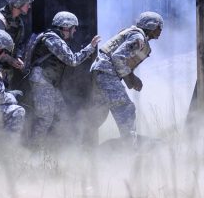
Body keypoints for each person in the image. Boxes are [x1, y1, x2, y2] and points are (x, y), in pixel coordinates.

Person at [89, 11, 163, 147]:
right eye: (159, 26)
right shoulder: (138, 37)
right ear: (151, 25)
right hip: (107, 72)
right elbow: (117, 57)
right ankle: (130, 148)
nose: (160, 30)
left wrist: (130, 78)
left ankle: (81, 145)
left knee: (98, 114)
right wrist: (132, 77)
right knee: (126, 109)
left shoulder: (136, 36)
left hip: (101, 72)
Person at [27, 11, 100, 147]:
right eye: (73, 27)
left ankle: (57, 150)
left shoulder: (56, 39)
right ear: (65, 27)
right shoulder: (52, 39)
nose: (75, 30)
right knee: (44, 119)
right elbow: (72, 60)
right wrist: (91, 47)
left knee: (62, 118)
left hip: (49, 83)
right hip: (42, 82)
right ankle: (32, 152)